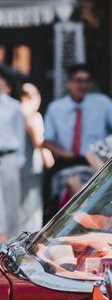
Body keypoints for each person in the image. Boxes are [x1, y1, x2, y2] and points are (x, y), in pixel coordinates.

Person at [42, 63, 112, 219]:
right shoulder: (56, 107)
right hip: (67, 161)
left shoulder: (102, 103)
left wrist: (107, 149)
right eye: (78, 80)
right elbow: (46, 141)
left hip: (94, 161)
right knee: (61, 190)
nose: (83, 85)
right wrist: (64, 153)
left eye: (86, 81)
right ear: (69, 82)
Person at [19, 83, 54, 232]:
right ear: (33, 98)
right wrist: (49, 160)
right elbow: (38, 141)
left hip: (14, 166)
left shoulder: (12, 112)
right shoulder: (33, 116)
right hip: (31, 166)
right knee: (32, 206)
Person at [0, 67, 26, 240]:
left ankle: (12, 242)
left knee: (11, 202)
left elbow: (20, 134)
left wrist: (19, 160)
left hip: (9, 156)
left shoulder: (14, 106)